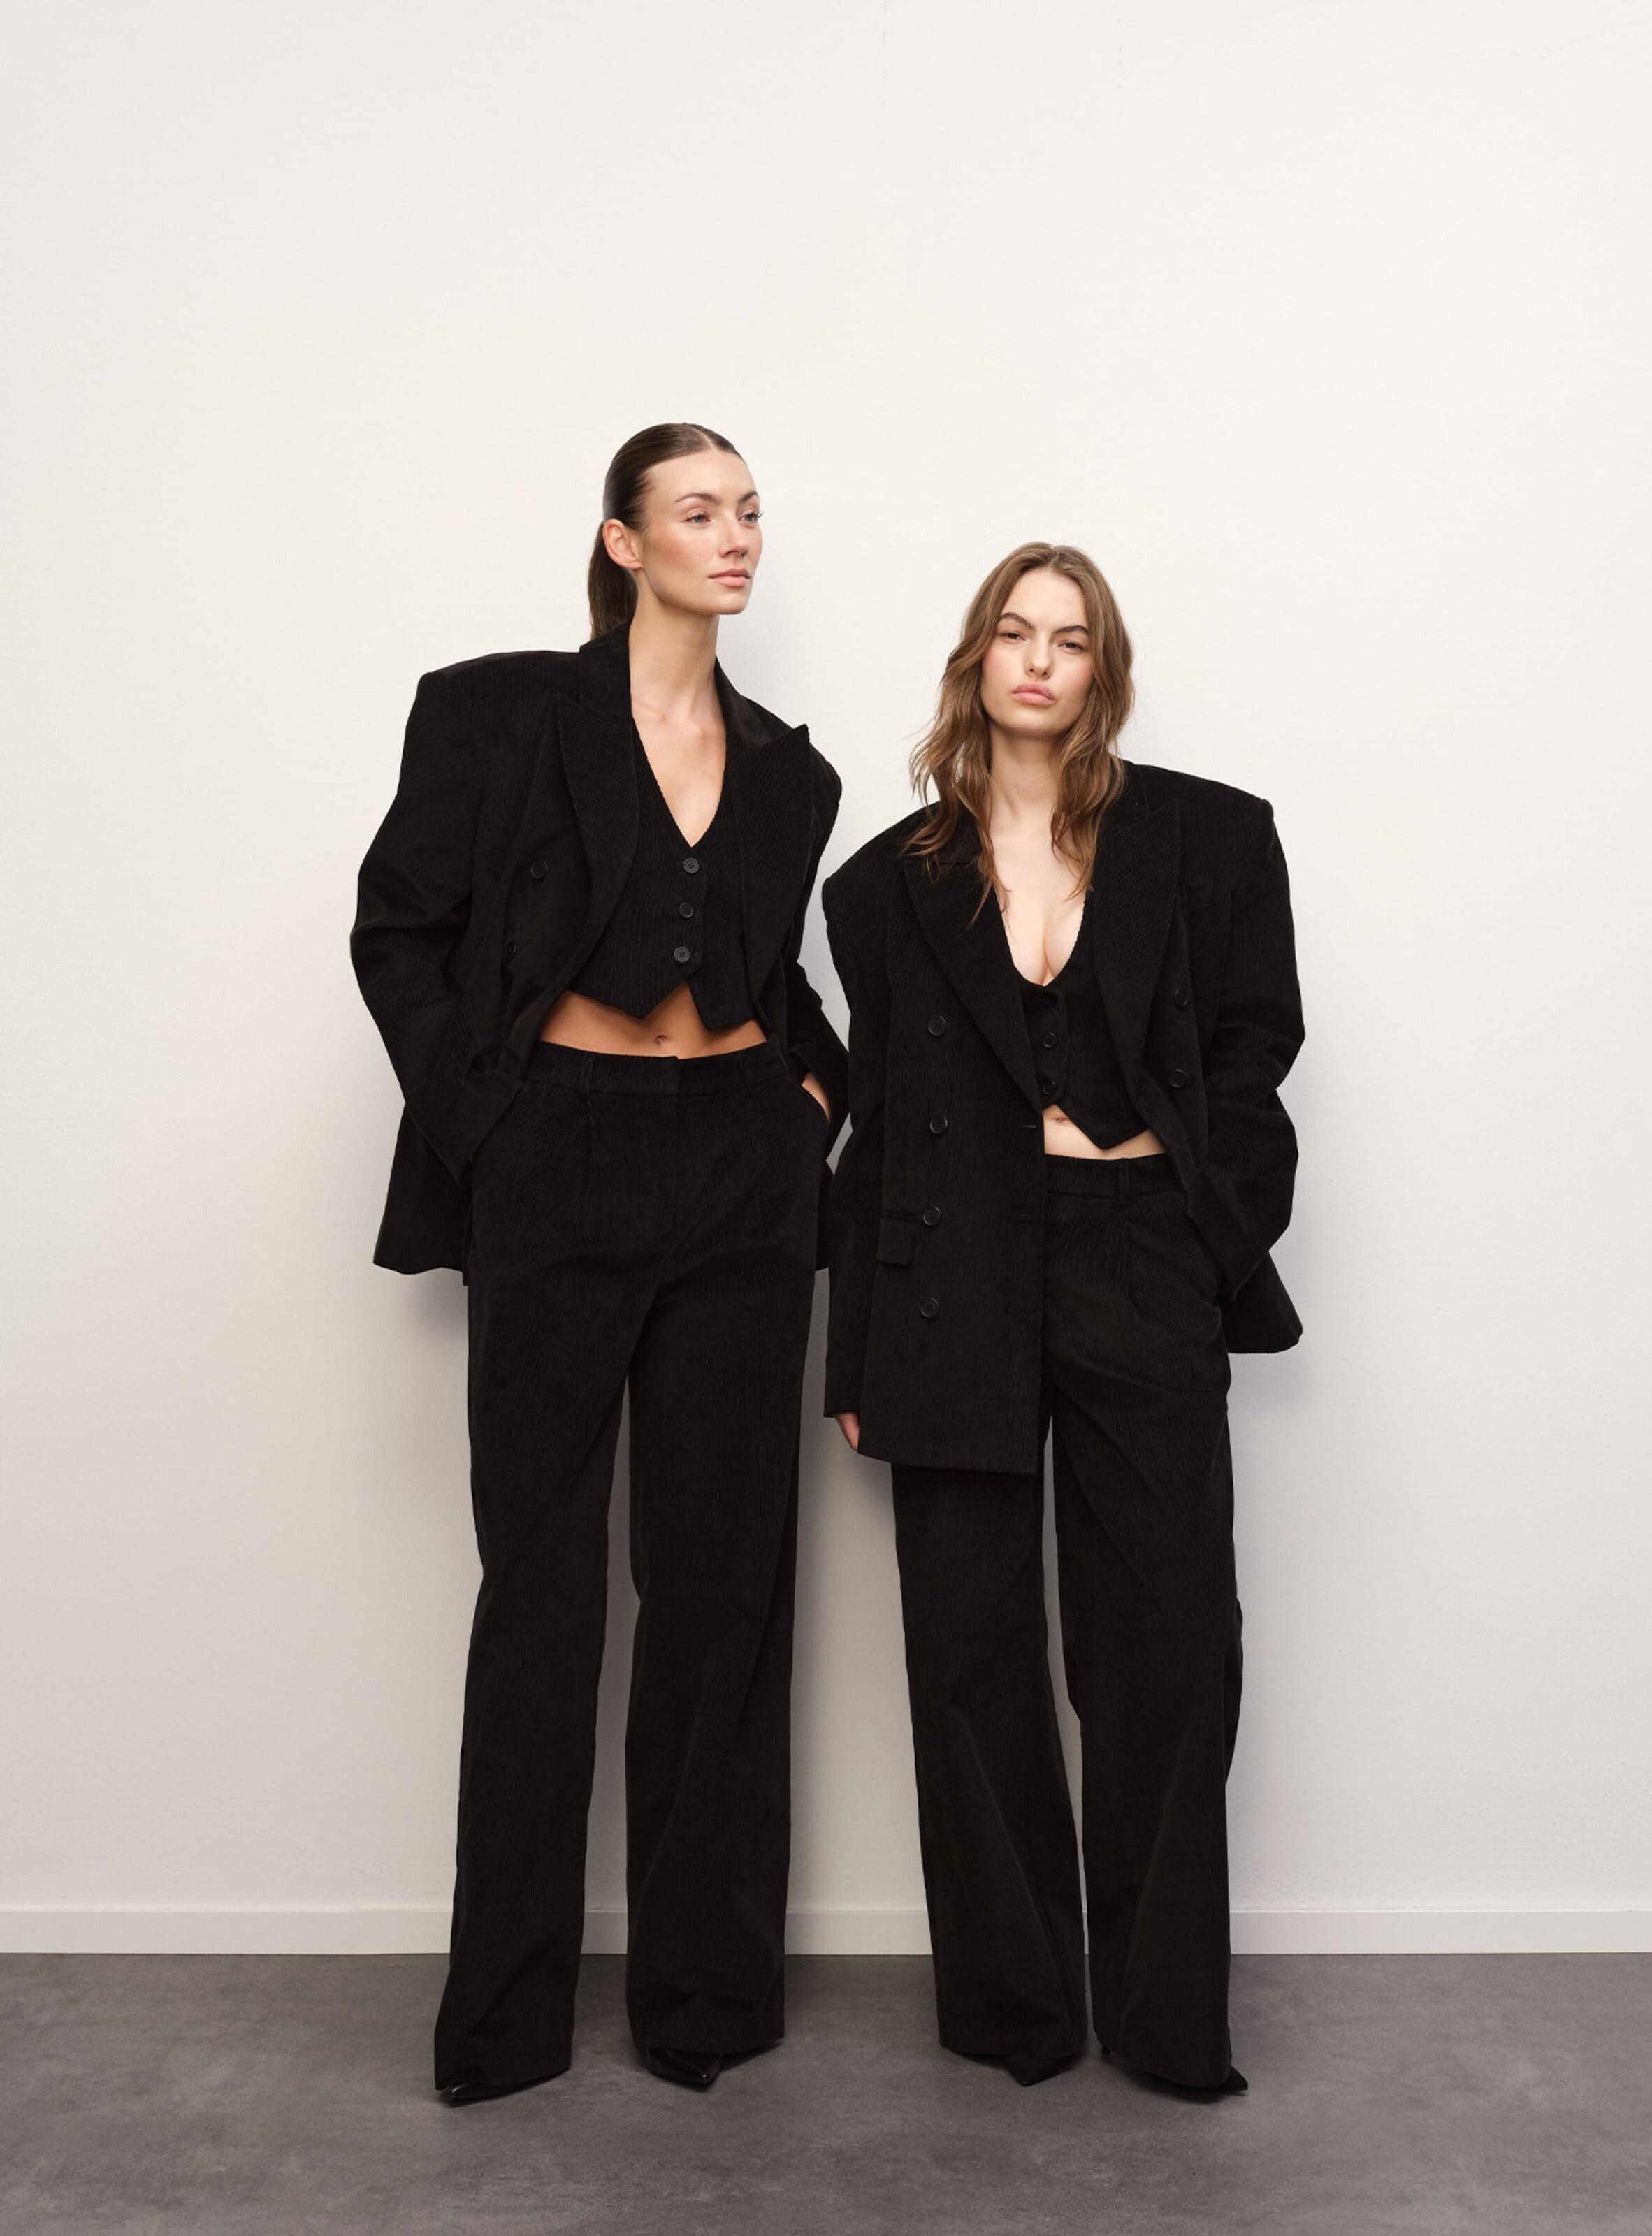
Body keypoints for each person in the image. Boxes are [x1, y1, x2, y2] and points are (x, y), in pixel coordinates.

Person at [351, 423, 848, 2103]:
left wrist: (813, 1100)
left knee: (722, 1595)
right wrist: (489, 1125)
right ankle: (503, 2017)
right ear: (624, 540)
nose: (736, 534)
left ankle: (705, 1998)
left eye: (750, 510)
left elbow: (779, 979)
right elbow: (399, 928)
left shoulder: (787, 769)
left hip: (740, 1180)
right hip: (555, 1159)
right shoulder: (495, 712)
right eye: (699, 510)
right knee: (543, 1593)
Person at [821, 542, 1302, 2094]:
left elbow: (1255, 1053)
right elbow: (875, 1125)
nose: (1039, 660)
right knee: (970, 1647)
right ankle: (1015, 2006)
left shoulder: (1212, 838)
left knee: (1167, 1637)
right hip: (949, 1274)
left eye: (1071, 638)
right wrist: (855, 1349)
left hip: (1137, 1255)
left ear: (1105, 668)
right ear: (977, 657)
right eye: (1015, 632)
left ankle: (1165, 2017)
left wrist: (1212, 1230)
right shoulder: (884, 882)